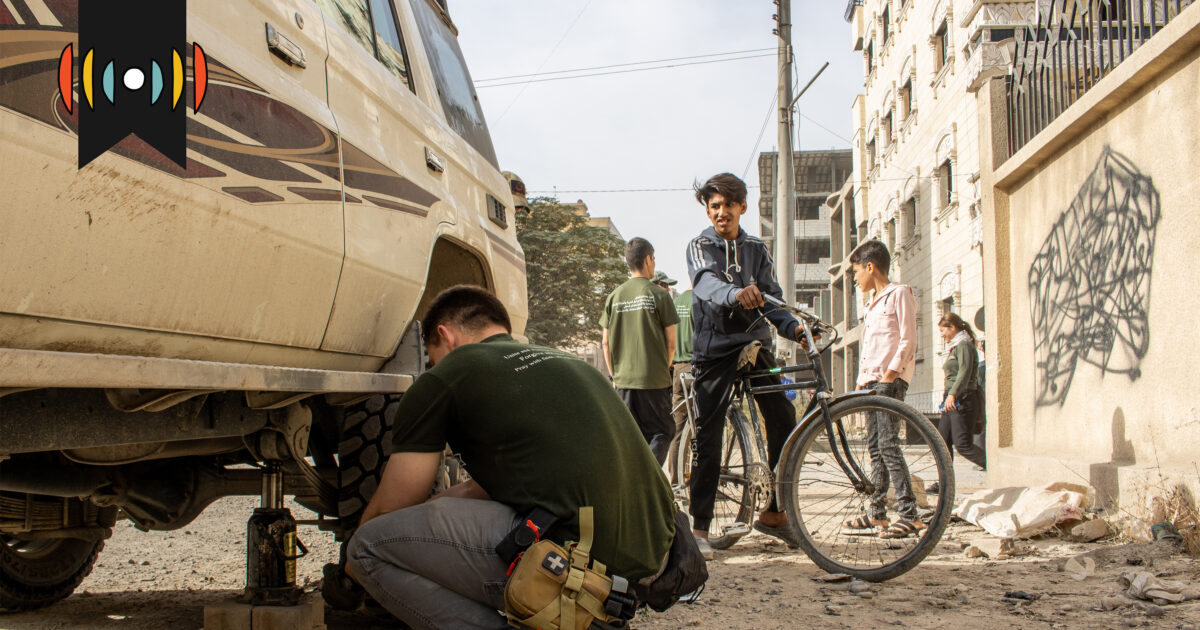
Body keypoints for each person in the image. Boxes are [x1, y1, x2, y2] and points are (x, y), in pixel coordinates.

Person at [346, 286, 677, 629]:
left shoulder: (447, 375)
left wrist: (348, 571)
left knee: (365, 549)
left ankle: (565, 613)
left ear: (446, 336)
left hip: (577, 572)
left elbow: (390, 509)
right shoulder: (569, 364)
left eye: (432, 356)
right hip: (654, 563)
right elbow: (480, 489)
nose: (433, 366)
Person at [685, 172, 806, 560]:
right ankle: (699, 526)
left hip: (756, 344)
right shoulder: (699, 245)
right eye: (714, 206)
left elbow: (772, 298)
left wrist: (794, 328)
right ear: (708, 209)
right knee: (709, 434)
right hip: (715, 348)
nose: (721, 212)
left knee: (784, 416)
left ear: (742, 207)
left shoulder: (757, 248)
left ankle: (773, 513)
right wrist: (736, 292)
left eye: (727, 205)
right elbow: (704, 283)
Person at [840, 240, 924, 540]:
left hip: (889, 381)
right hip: (872, 383)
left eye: (856, 271)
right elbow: (871, 349)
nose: (854, 278)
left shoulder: (899, 294)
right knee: (875, 448)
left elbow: (907, 340)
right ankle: (876, 513)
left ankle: (909, 513)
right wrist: (862, 381)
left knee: (888, 445)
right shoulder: (871, 304)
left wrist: (890, 375)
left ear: (871, 267)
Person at [601, 238, 680, 464]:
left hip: (623, 381)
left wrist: (614, 375)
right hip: (653, 380)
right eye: (653, 259)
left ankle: (630, 484)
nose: (653, 264)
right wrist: (663, 368)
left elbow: (605, 342)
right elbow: (671, 342)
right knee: (662, 432)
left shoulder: (614, 297)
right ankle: (649, 480)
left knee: (629, 437)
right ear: (647, 260)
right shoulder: (660, 295)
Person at [931, 313, 987, 478]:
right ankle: (944, 483)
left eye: (943, 331)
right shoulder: (956, 346)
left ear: (952, 328)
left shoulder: (964, 345)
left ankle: (998, 468)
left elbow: (965, 372)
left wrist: (953, 394)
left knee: (963, 445)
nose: (941, 335)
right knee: (941, 442)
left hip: (962, 398)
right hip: (951, 398)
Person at [666, 281, 694, 485]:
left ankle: (675, 482)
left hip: (678, 370)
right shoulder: (702, 301)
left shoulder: (677, 303)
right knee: (701, 429)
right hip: (698, 369)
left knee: (678, 428)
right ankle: (697, 482)